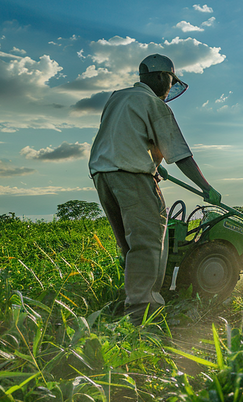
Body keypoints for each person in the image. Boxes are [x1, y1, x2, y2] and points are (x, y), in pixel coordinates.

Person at [88, 53, 220, 323]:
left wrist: (153, 164)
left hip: (103, 175)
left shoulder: (119, 97)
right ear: (162, 77)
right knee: (148, 244)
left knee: (130, 245)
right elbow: (180, 154)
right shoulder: (154, 104)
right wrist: (206, 187)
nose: (169, 88)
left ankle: (131, 299)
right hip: (131, 176)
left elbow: (121, 135)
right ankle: (142, 314)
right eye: (171, 81)